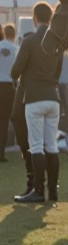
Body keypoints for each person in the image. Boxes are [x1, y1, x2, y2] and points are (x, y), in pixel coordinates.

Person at [10, 2, 61, 203]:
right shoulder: (56, 42)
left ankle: (38, 190)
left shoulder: (30, 41)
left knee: (37, 145)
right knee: (52, 145)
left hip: (34, 97)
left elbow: (16, 70)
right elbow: (58, 72)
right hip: (53, 97)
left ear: (34, 18)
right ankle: (53, 191)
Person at [0, 24, 17, 161]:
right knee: (4, 120)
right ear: (15, 34)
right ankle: (1, 153)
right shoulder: (16, 49)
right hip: (9, 86)